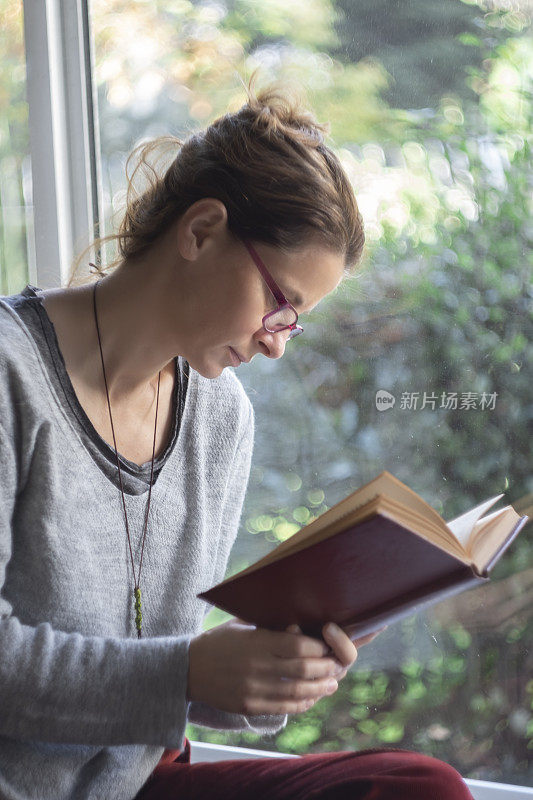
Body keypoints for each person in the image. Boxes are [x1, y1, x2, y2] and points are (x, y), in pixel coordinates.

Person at [0, 81, 474, 800]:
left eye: (294, 321)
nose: (277, 345)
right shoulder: (10, 375)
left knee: (416, 786)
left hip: (136, 784)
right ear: (199, 231)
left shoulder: (220, 416)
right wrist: (186, 671)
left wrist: (269, 673)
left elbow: (157, 678)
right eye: (280, 304)